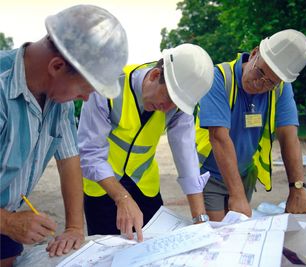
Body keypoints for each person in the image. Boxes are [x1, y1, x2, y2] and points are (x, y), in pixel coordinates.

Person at [0, 5, 128, 266]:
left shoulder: (60, 100)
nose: (86, 98)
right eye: (85, 88)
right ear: (57, 66)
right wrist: (8, 221)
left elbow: (69, 158)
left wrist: (74, 227)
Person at [78, 43, 214, 242]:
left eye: (175, 105)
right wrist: (122, 198)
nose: (167, 108)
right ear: (153, 76)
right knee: (107, 253)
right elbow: (89, 154)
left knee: (155, 248)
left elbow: (187, 157)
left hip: (144, 186)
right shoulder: (107, 87)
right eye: (167, 98)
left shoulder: (178, 105)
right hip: (103, 187)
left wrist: (200, 219)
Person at [196, 29, 306, 221]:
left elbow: (289, 136)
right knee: (218, 237)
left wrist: (297, 188)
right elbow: (219, 137)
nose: (260, 84)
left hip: (243, 176)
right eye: (260, 72)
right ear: (254, 53)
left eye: (270, 82)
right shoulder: (218, 78)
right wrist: (237, 195)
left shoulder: (280, 87)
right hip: (210, 176)